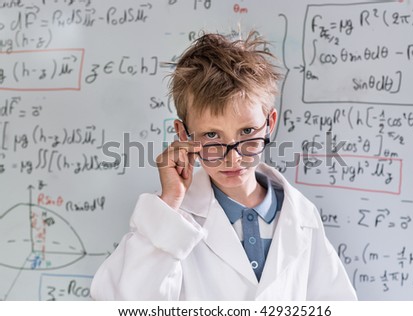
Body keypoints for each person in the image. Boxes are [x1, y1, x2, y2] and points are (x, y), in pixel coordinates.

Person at [90, 31, 357, 300]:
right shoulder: (169, 220)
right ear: (184, 136)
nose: (233, 158)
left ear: (270, 124)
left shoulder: (301, 217)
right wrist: (168, 206)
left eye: (247, 131)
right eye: (211, 136)